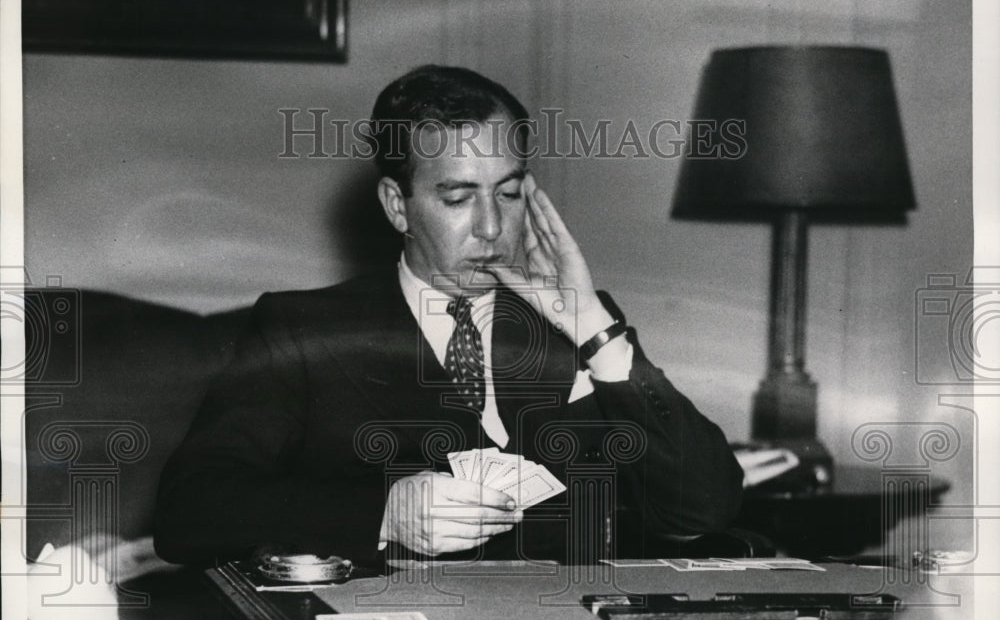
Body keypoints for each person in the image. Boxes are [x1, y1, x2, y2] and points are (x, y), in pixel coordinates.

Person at [154, 65, 743, 567]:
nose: (491, 227)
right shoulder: (303, 330)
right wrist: (383, 513)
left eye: (509, 194)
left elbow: (703, 508)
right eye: (459, 199)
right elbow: (189, 511)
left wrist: (594, 328)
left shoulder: (585, 324)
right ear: (397, 206)